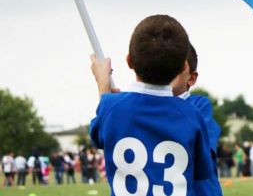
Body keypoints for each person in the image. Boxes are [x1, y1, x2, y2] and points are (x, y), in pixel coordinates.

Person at [89, 15, 214, 196]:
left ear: (129, 61)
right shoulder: (192, 114)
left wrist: (103, 84)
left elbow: (98, 136)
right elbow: (202, 172)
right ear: (182, 68)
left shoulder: (111, 107)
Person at [171, 42, 223, 195]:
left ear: (191, 78)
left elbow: (198, 154)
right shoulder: (147, 108)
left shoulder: (200, 106)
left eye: (174, 69)